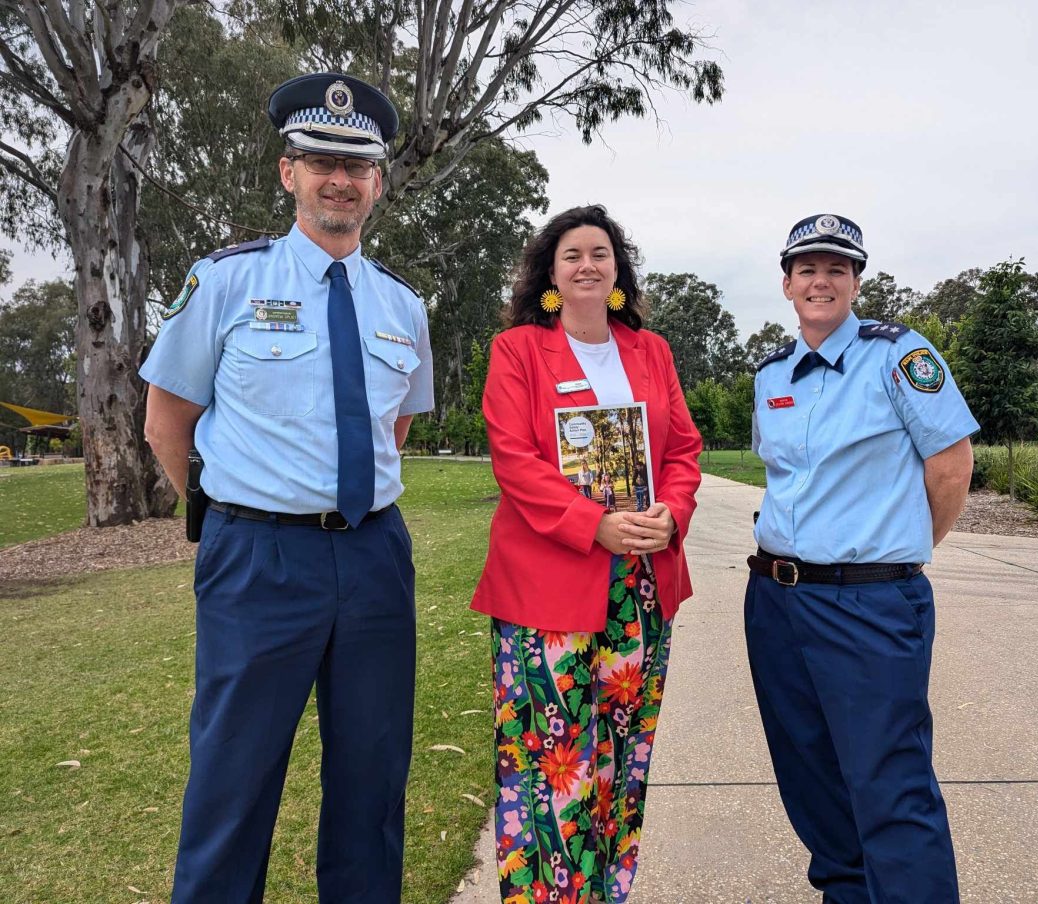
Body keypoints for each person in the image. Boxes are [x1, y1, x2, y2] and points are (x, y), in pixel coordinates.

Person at [141, 72, 433, 903]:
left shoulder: (403, 306)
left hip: (374, 559)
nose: (339, 179)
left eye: (358, 165)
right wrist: (229, 514)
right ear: (287, 173)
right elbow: (168, 420)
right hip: (258, 559)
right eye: (320, 161)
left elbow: (393, 429)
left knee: (372, 784)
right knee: (233, 783)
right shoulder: (227, 281)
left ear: (377, 182)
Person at [471, 205, 702, 904]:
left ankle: (606, 890)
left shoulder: (650, 351)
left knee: (622, 759)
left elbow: (684, 451)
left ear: (618, 270)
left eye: (600, 253)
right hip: (548, 589)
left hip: (640, 589)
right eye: (572, 254)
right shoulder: (517, 351)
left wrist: (673, 512)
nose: (587, 266)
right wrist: (591, 523)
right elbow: (514, 460)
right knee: (552, 762)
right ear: (550, 273)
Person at [744, 214, 977, 904]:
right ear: (787, 284)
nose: (821, 280)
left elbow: (951, 470)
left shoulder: (899, 356)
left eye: (836, 269)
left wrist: (893, 556)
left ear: (855, 283)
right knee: (810, 775)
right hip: (778, 601)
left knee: (889, 783)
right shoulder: (771, 375)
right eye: (807, 269)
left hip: (868, 603)